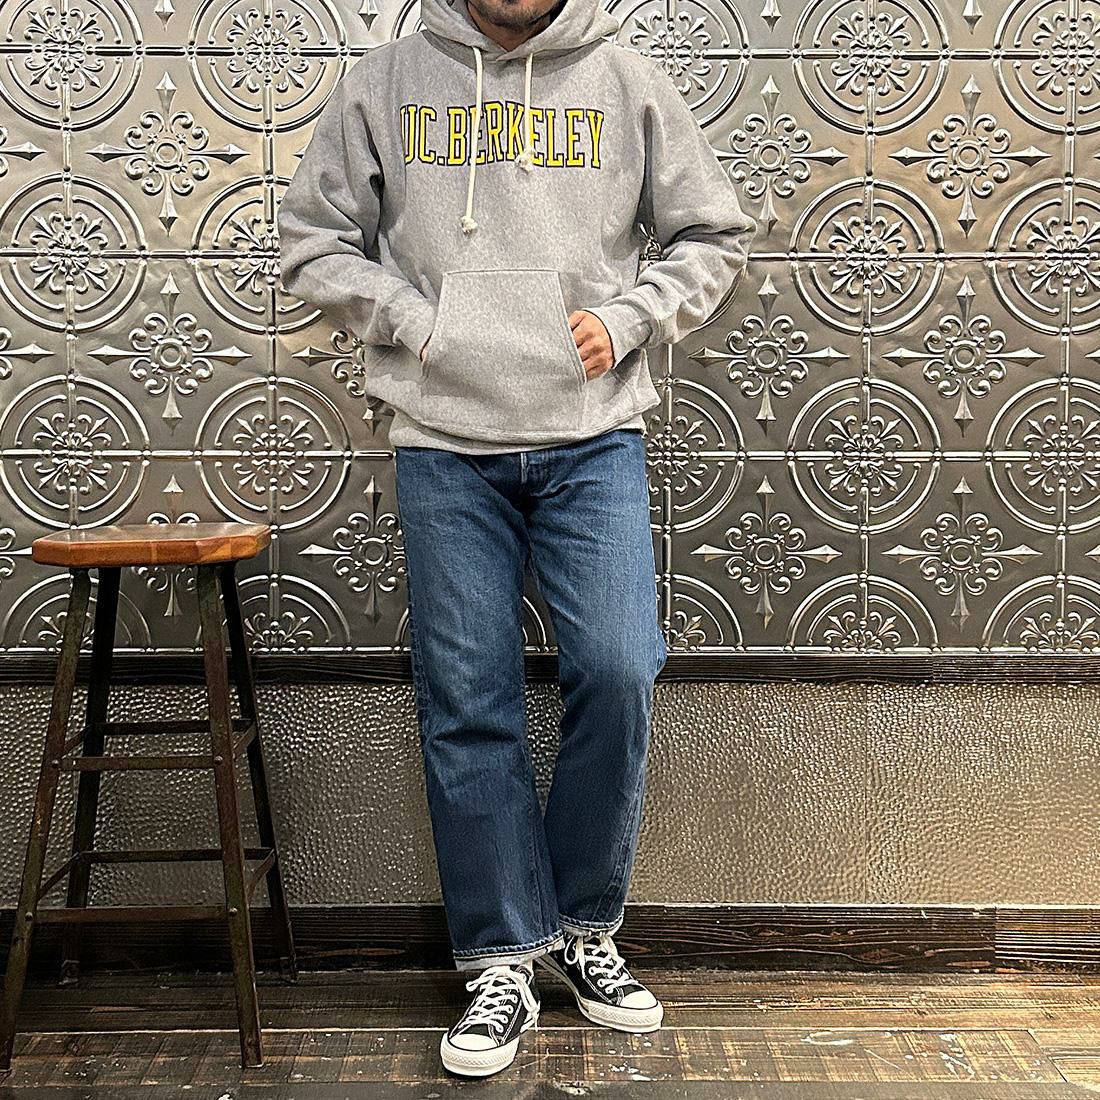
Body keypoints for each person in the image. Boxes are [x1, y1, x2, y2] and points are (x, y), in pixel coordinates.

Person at [277, 0, 757, 1077]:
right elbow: (311, 240)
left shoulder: (625, 79)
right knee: (468, 696)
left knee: (619, 667)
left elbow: (713, 235)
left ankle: (582, 924)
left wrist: (630, 318)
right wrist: (415, 320)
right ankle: (501, 954)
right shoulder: (385, 80)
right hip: (444, 441)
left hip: (593, 437)